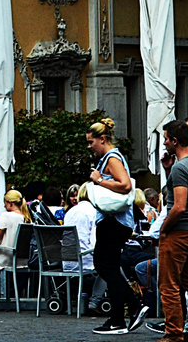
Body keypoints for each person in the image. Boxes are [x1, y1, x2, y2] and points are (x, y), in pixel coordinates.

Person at [85, 116, 140, 335]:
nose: (90, 147)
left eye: (91, 142)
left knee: (103, 265)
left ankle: (134, 305)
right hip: (114, 220)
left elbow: (125, 185)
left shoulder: (111, 158)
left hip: (114, 220)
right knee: (110, 266)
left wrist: (99, 180)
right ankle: (117, 318)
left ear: (103, 139)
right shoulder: (110, 158)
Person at [158, 119, 188, 342]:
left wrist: (164, 229)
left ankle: (173, 334)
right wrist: (167, 172)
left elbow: (179, 205)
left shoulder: (182, 167)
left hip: (179, 233)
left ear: (174, 141)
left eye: (165, 139)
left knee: (169, 285)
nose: (164, 143)